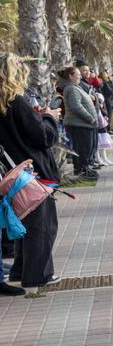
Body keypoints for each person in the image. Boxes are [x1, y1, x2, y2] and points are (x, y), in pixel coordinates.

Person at [0, 54, 60, 296]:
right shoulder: (17, 101)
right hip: (32, 171)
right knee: (42, 225)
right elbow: (42, 136)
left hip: (11, 173)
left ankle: (20, 270)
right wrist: (48, 118)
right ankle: (37, 276)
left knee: (25, 223)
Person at [59, 66, 100, 180]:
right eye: (78, 74)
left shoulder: (75, 87)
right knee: (83, 148)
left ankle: (83, 168)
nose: (80, 76)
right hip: (79, 124)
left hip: (83, 124)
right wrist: (89, 118)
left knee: (85, 148)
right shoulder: (71, 88)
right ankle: (82, 170)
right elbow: (76, 106)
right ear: (71, 76)